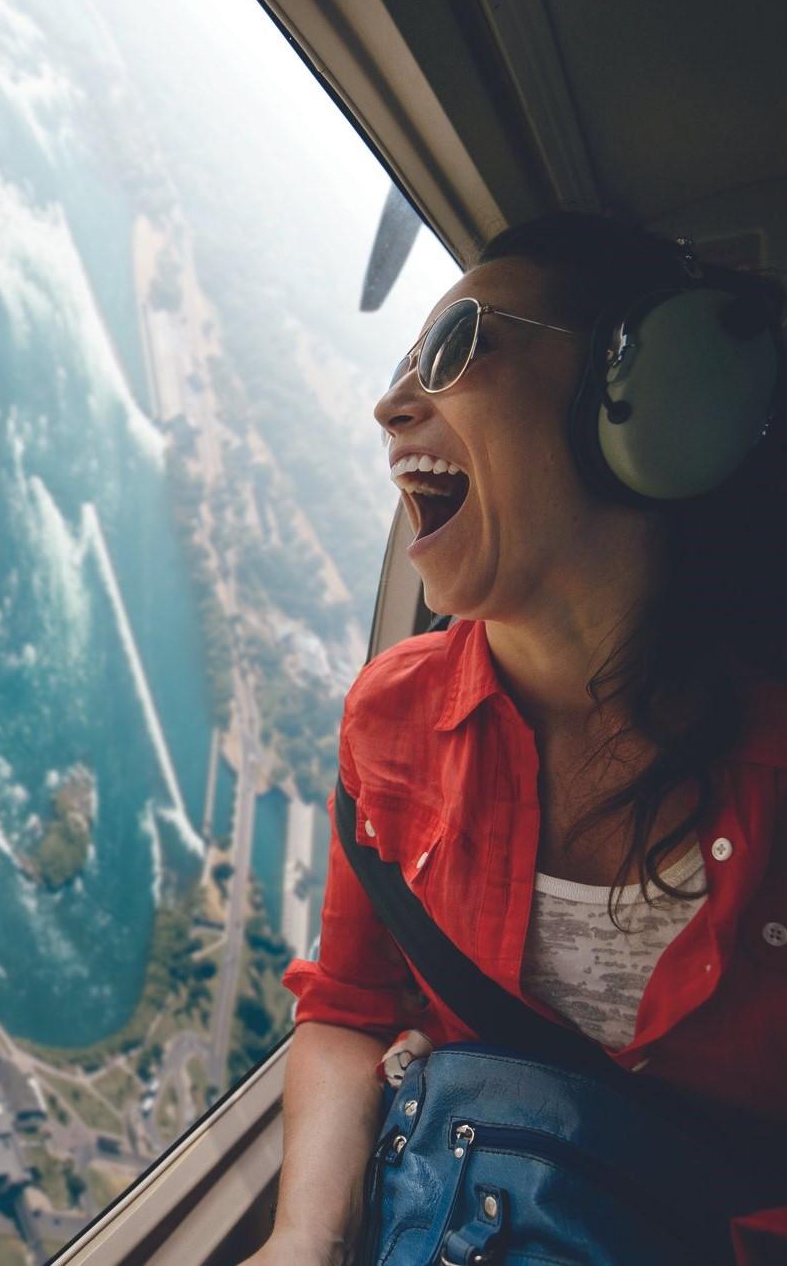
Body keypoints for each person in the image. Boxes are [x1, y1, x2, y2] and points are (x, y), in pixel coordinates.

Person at [242, 212, 787, 1266]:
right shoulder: (386, 718)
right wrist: (305, 1237)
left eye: (453, 352)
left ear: (649, 401)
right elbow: (350, 1008)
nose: (389, 404)